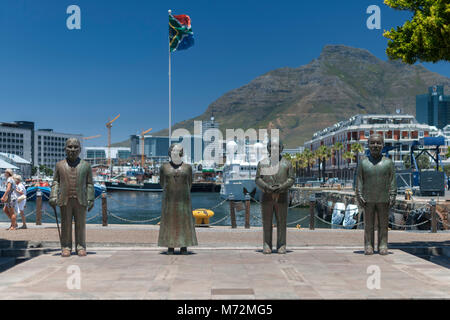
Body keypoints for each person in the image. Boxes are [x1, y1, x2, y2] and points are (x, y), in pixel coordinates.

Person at [49, 138, 95, 257]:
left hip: (81, 199)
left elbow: (89, 184)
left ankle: (81, 246)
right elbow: (55, 182)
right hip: (65, 199)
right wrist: (53, 195)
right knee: (65, 224)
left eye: (75, 147)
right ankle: (66, 247)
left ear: (80, 149)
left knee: (81, 224)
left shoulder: (86, 165)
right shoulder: (59, 165)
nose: (72, 149)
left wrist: (90, 199)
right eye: (70, 147)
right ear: (65, 149)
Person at [356, 133, 397, 255]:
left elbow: (393, 181)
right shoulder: (363, 163)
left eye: (378, 143)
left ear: (383, 145)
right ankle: (368, 245)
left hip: (384, 198)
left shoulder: (388, 163)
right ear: (368, 145)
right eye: (372, 143)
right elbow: (359, 181)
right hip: (368, 198)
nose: (375, 145)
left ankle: (383, 244)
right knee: (368, 225)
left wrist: (393, 194)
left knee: (383, 225)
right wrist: (359, 195)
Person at [255, 137, 295, 254]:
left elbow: (291, 179)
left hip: (282, 196)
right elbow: (258, 179)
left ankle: (281, 245)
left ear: (281, 148)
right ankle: (266, 244)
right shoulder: (262, 164)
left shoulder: (287, 164)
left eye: (277, 146)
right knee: (266, 222)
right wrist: (267, 187)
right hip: (266, 197)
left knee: (282, 222)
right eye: (271, 146)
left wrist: (281, 187)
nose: (274, 148)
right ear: (268, 148)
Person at [158, 144, 198, 254]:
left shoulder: (187, 167)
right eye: (173, 150)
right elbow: (162, 182)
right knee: (169, 221)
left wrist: (183, 191)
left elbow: (190, 183)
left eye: (177, 150)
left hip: (184, 199)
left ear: (181, 153)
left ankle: (184, 246)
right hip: (169, 199)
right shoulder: (164, 167)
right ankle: (170, 246)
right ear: (170, 152)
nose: (175, 152)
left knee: (184, 221)